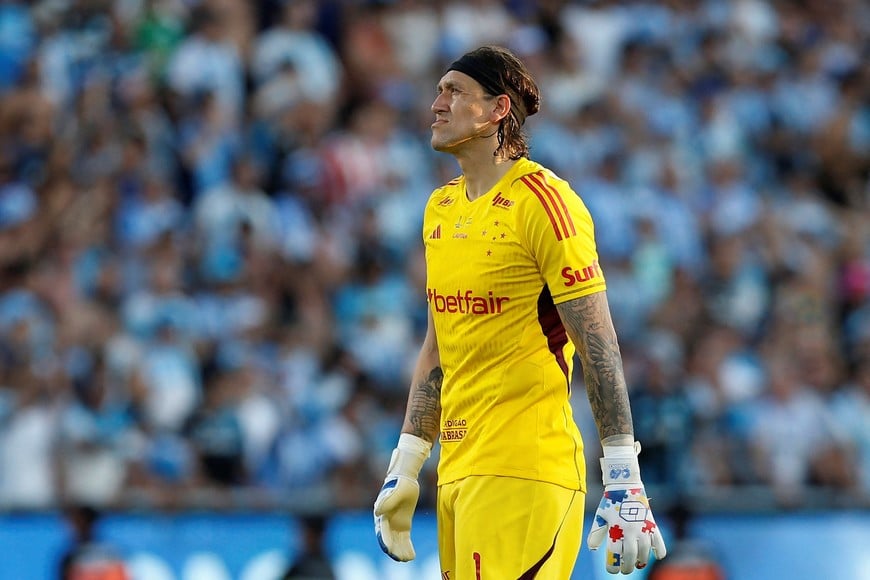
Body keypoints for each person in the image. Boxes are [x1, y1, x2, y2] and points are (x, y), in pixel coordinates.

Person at [373, 45, 667, 578]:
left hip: (524, 469)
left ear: (498, 109)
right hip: (458, 471)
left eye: (454, 91)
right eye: (438, 91)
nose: (437, 104)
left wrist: (623, 473)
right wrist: (407, 461)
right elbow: (439, 346)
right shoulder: (440, 208)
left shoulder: (545, 202)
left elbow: (597, 341)